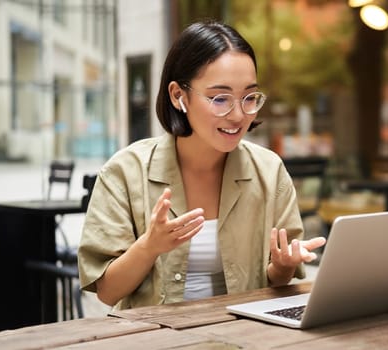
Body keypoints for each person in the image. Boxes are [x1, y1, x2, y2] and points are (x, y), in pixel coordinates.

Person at [78, 21, 326, 310]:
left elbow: (276, 284)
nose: (237, 115)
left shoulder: (269, 172)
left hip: (245, 334)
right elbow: (107, 293)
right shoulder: (124, 172)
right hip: (157, 337)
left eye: (249, 97)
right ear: (178, 96)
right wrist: (149, 246)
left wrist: (283, 266)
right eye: (220, 98)